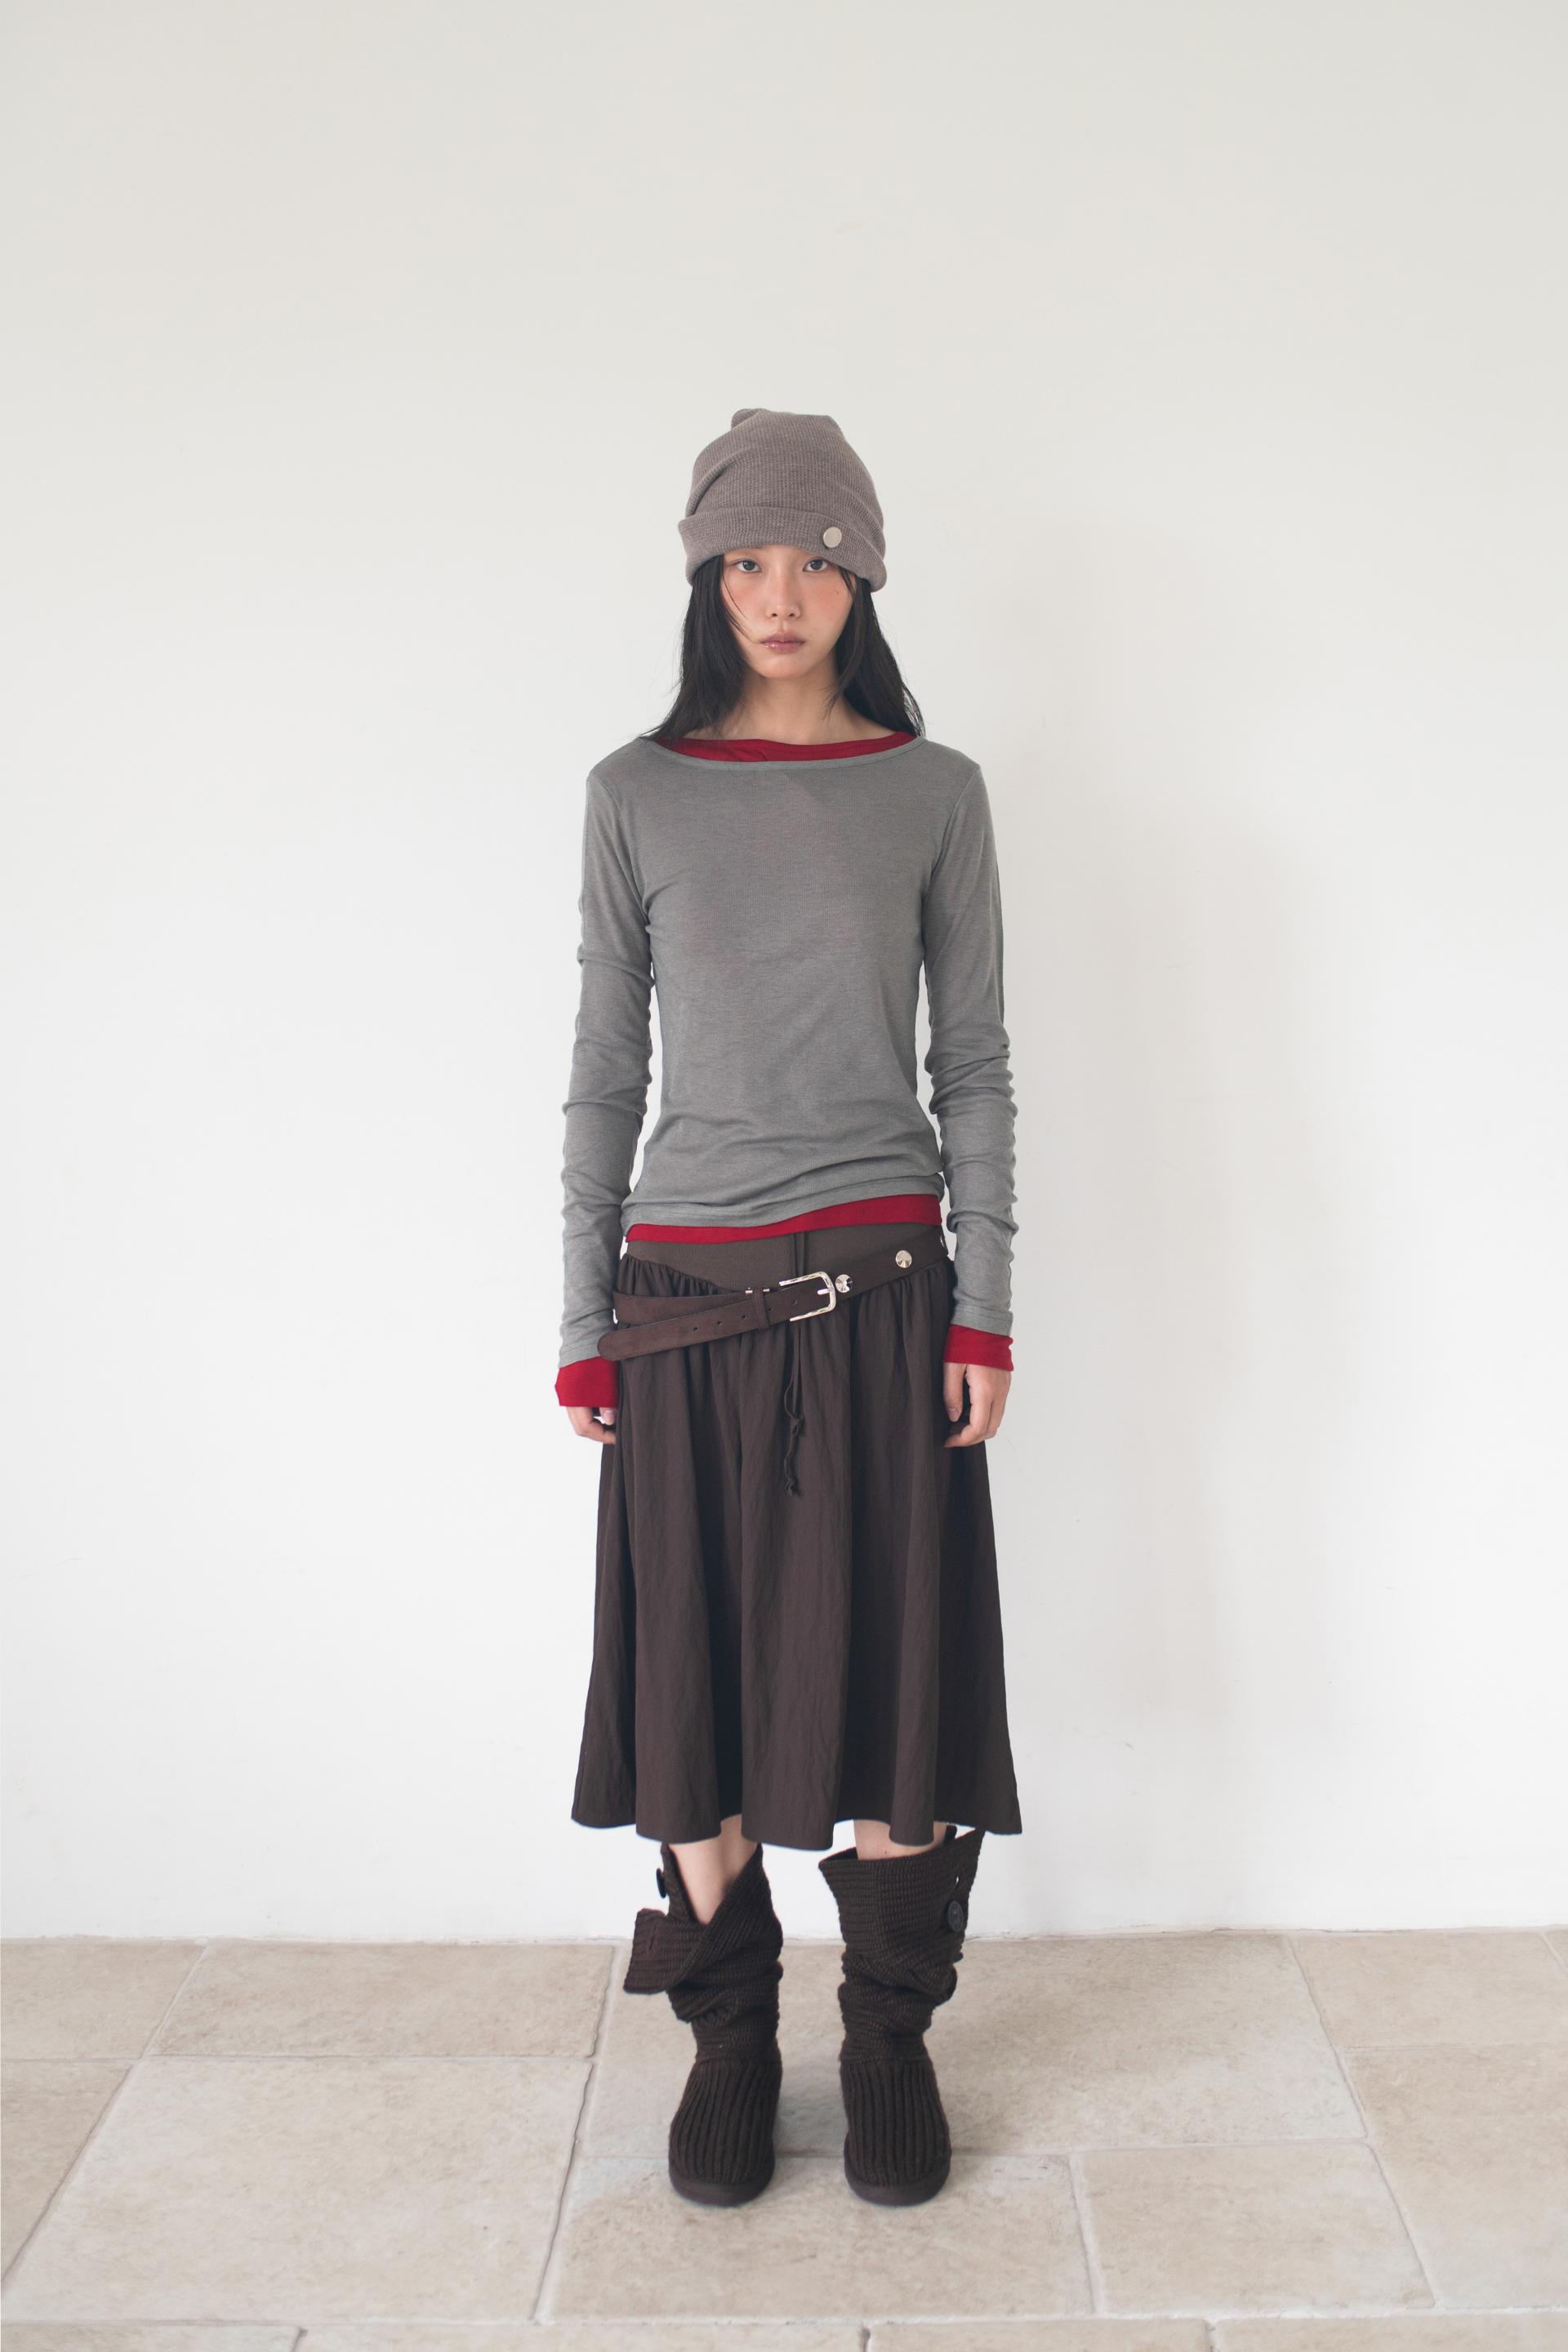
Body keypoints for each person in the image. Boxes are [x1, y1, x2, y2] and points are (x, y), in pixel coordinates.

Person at [555, 406, 1022, 2212]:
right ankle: (732, 2038)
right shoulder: (636, 791)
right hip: (683, 1298)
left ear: (862, 576)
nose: (778, 591)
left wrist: (986, 1307)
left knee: (897, 1673)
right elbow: (607, 1070)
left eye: (814, 557)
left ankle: (889, 2035)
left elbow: (973, 1064)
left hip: (892, 1293)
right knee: (695, 1688)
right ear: (705, 576)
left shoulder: (934, 790)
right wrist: (579, 1314)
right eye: (745, 559)